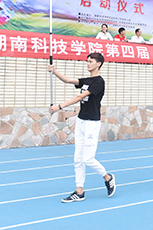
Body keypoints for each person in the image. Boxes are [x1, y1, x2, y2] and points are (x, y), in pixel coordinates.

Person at [47, 52, 116, 202]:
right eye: (87, 61)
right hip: (81, 121)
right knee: (77, 158)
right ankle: (79, 191)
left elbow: (80, 97)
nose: (88, 63)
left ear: (98, 64)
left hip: (92, 123)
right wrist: (54, 71)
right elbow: (68, 80)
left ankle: (107, 177)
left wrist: (60, 106)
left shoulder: (99, 82)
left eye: (91, 61)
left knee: (88, 158)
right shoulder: (86, 80)